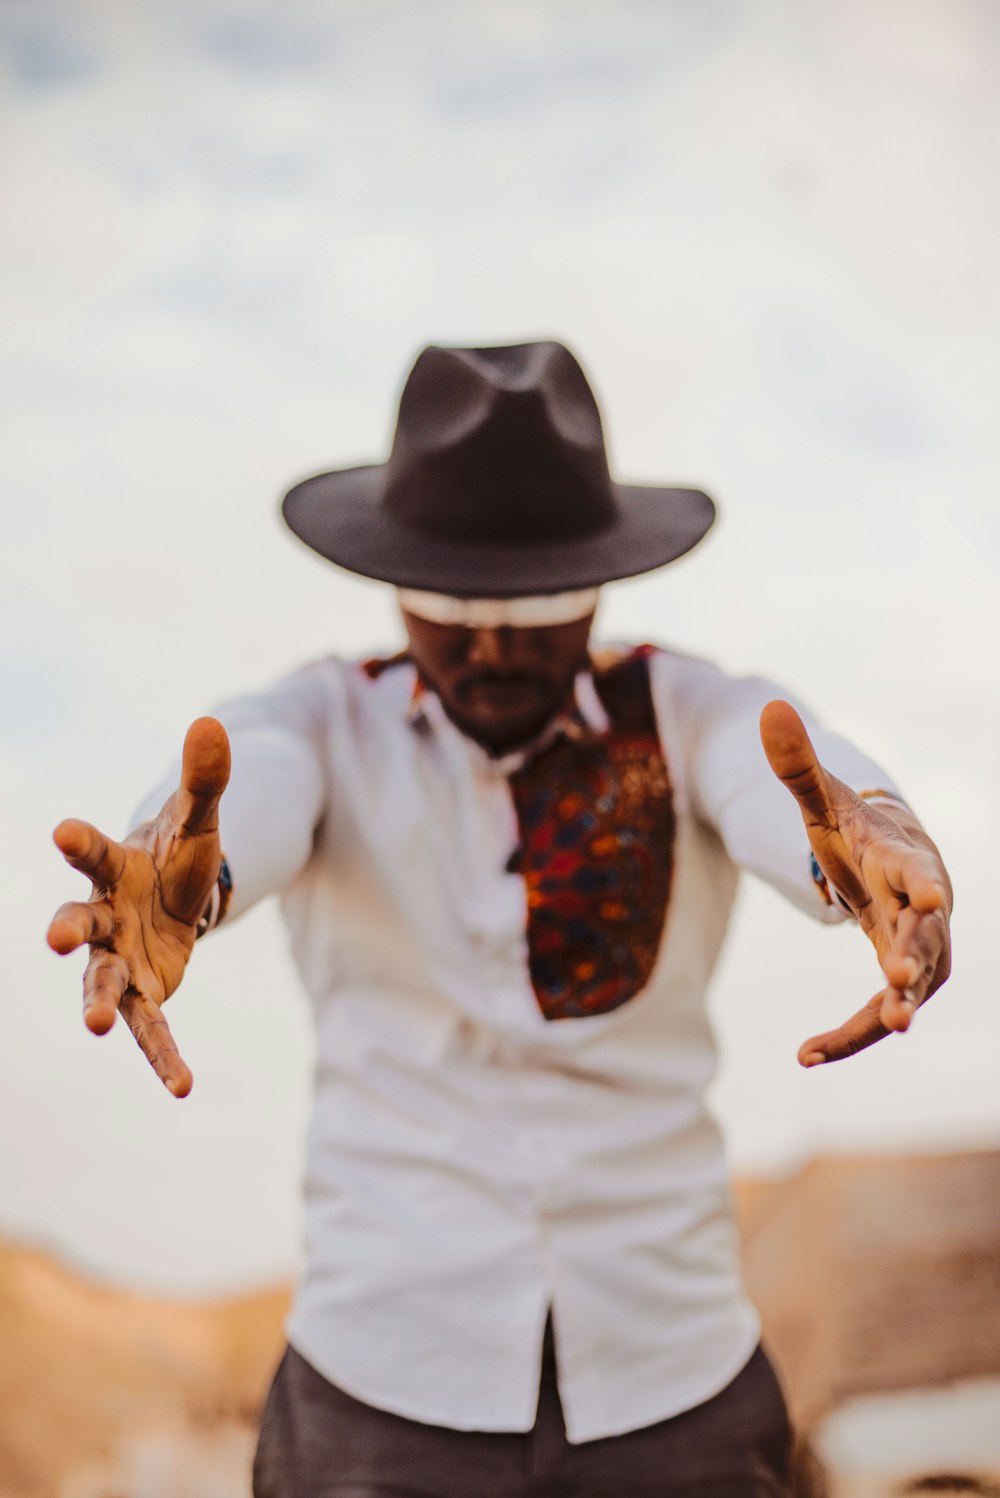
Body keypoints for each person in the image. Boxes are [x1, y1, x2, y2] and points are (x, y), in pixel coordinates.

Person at [47, 341, 952, 1497]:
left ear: (599, 576)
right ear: (392, 576)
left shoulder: (682, 710)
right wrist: (182, 876)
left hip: (673, 1377)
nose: (490, 644)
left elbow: (773, 767)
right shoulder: (324, 721)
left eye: (532, 607)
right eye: (451, 603)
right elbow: (244, 780)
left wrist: (876, 830)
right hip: (377, 1387)